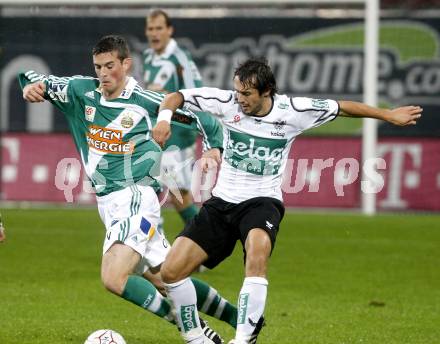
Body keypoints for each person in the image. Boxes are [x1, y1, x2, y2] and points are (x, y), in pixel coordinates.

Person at [152, 57, 423, 344]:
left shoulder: (293, 111)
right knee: (170, 272)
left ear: (266, 92)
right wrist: (163, 119)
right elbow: (176, 97)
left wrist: (388, 115)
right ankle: (196, 338)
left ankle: (243, 339)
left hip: (262, 202)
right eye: (237, 92)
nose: (239, 99)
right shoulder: (227, 102)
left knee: (257, 253)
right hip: (222, 202)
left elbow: (342, 107)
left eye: (246, 94)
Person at [20, 35, 236, 343]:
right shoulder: (81, 92)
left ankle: (188, 327)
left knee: (113, 277)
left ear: (126, 64)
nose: (104, 73)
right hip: (109, 204)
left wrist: (215, 147)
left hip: (134, 197)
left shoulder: (146, 103)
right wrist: (30, 87)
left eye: (111, 66)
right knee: (166, 276)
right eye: (98, 67)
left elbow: (206, 121)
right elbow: (33, 77)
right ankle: (240, 320)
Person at [143, 9, 220, 227]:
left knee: (174, 194)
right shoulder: (149, 56)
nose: (154, 33)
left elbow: (194, 96)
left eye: (159, 28)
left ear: (169, 30)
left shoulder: (179, 60)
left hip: (178, 136)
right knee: (168, 194)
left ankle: (198, 243)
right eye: (150, 28)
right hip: (156, 133)